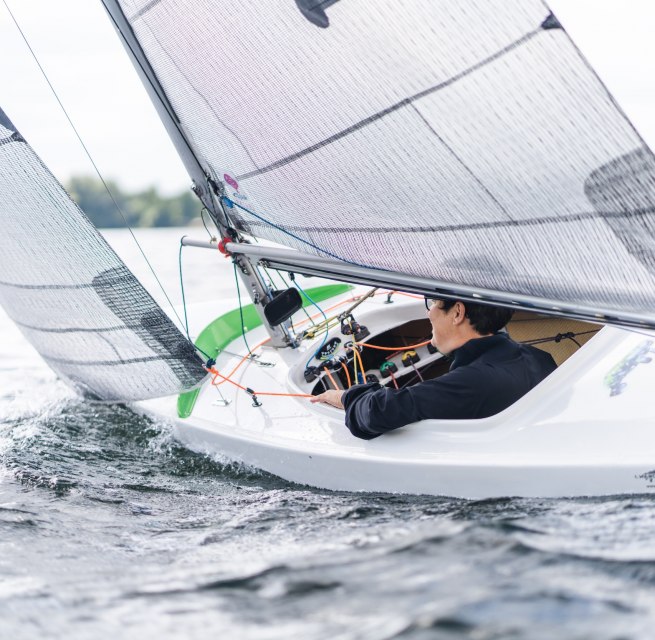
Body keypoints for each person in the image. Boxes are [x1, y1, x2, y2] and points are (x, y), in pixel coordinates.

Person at [310, 298, 557, 439]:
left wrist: (343, 396)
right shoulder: (541, 359)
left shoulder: (470, 383)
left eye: (434, 302)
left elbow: (377, 413)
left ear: (458, 312)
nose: (428, 313)